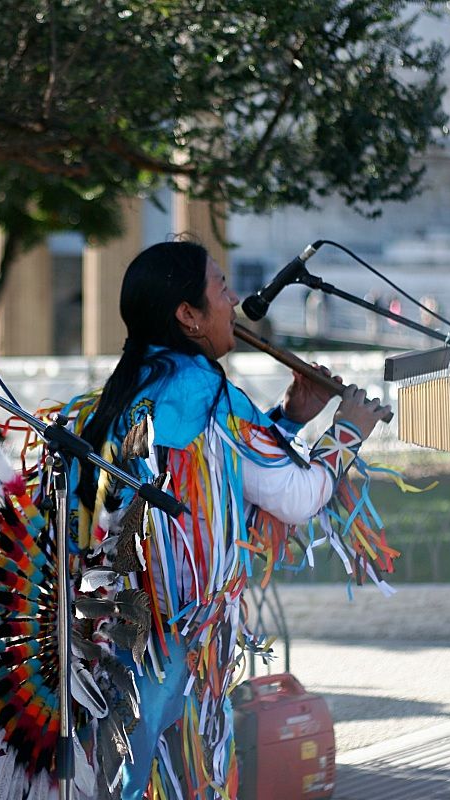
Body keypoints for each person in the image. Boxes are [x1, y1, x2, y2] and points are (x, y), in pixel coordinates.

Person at [62, 241, 391, 799]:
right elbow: (295, 496)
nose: (234, 299)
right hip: (174, 640)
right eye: (220, 288)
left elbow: (216, 472)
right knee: (162, 778)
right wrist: (347, 431)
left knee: (119, 775)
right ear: (188, 316)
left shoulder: (125, 391)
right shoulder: (206, 392)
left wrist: (290, 417)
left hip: (109, 639)